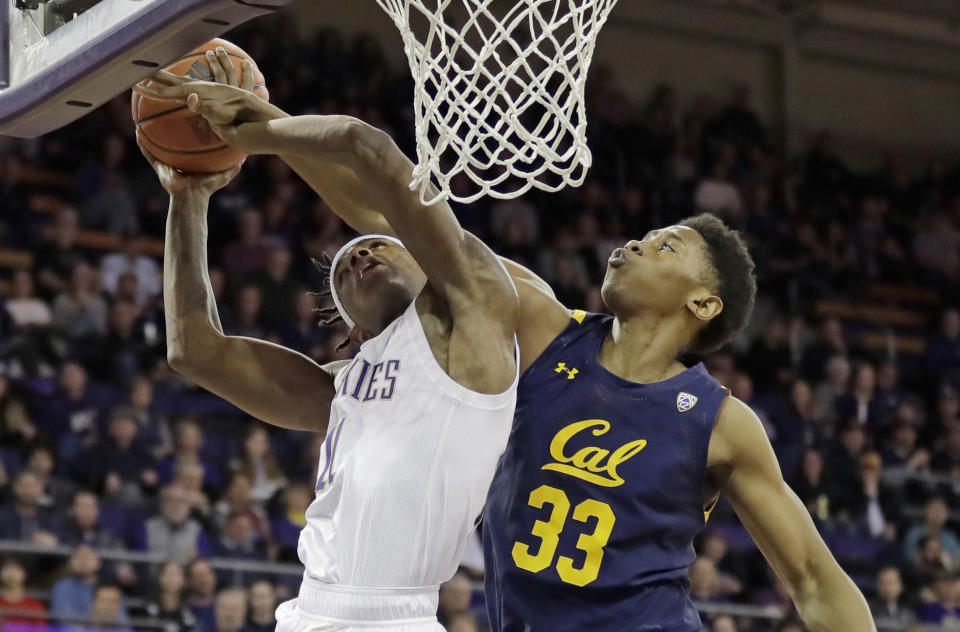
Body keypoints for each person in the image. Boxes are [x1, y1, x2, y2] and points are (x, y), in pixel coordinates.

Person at [150, 54, 872, 632]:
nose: (633, 243)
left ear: (703, 302)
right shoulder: (539, 328)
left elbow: (812, 578)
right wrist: (258, 130)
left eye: (664, 246)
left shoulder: (719, 421)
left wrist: (264, 127)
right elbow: (391, 211)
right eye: (643, 235)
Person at [140, 47, 519, 632]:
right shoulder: (345, 390)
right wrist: (187, 199)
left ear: (426, 268)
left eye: (377, 246)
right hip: (308, 611)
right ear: (355, 334)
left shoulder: (478, 317)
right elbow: (194, 351)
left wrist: (256, 124)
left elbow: (365, 146)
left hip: (398, 618)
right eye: (345, 268)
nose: (361, 252)